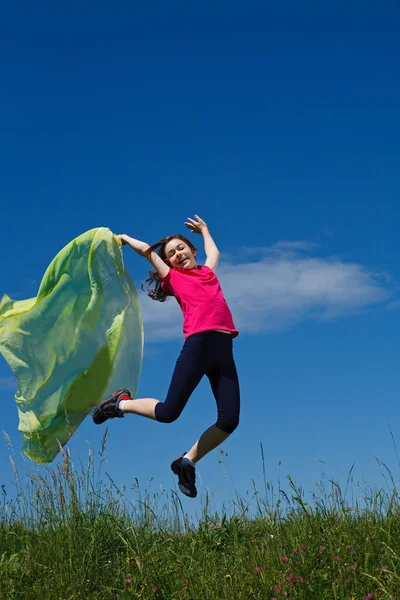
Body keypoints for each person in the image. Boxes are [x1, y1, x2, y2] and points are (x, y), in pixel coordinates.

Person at [93, 215, 240, 498]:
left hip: (223, 350)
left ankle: (186, 462)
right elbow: (147, 250)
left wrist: (205, 230)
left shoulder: (208, 273)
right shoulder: (174, 278)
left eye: (181, 248)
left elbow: (215, 252)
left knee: (229, 420)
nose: (177, 254)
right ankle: (120, 404)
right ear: (169, 264)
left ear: (192, 251)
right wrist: (123, 239)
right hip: (198, 346)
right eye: (171, 253)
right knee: (168, 412)